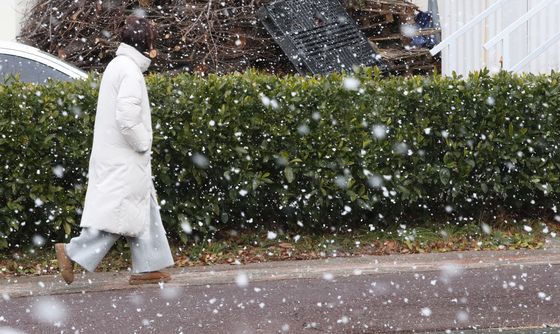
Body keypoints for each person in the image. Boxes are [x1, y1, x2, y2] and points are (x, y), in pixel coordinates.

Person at [55, 16, 174, 285]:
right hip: (125, 158)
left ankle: (148, 266)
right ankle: (71, 251)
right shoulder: (130, 70)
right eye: (152, 40)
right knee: (116, 217)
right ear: (145, 42)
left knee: (142, 208)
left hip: (116, 156)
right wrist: (143, 143)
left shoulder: (118, 66)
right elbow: (128, 118)